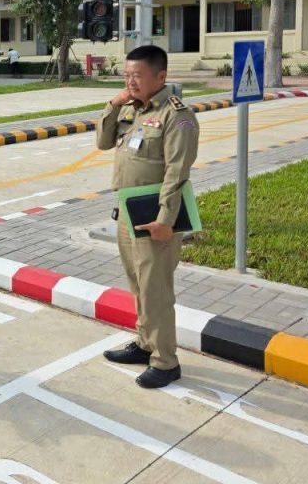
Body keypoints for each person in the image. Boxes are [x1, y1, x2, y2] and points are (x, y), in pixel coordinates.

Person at [96, 44, 199, 388]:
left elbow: (177, 171)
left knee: (156, 292)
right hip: (129, 213)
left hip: (156, 217)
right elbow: (102, 142)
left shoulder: (177, 116)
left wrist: (166, 220)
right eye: (127, 75)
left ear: (161, 76)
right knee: (138, 286)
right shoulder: (130, 109)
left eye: (137, 75)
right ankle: (144, 344)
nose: (130, 81)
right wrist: (114, 103)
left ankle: (166, 362)